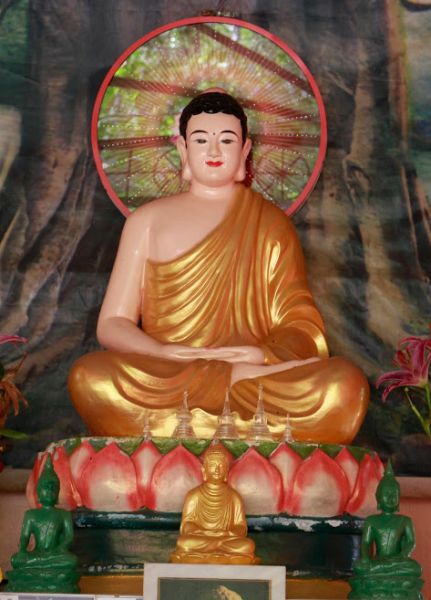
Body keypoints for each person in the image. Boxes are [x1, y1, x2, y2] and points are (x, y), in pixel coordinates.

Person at [69, 91, 369, 443]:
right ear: (183, 149)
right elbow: (112, 324)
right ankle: (239, 409)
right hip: (172, 370)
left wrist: (262, 355)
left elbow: (299, 324)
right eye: (201, 140)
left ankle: (196, 417)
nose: (214, 151)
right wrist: (163, 352)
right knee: (89, 376)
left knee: (345, 384)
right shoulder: (146, 221)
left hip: (251, 371)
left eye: (226, 140)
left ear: (244, 150)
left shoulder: (270, 224)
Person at [171, 444, 257, 564]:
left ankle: (213, 550)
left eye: (221, 466)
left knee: (247, 545)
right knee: (184, 543)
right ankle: (218, 550)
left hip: (226, 539)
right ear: (204, 470)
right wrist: (203, 532)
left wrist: (228, 533)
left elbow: (241, 526)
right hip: (202, 538)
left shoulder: (234, 497)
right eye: (212, 465)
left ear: (227, 471)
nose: (217, 470)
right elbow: (186, 525)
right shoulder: (194, 495)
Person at [348, 462, 423, 599]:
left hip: (398, 561)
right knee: (360, 567)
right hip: (378, 562)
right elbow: (366, 543)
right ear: (378, 498)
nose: (390, 498)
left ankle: (379, 581)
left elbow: (411, 542)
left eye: (394, 494)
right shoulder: (372, 521)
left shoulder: (405, 521)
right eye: (386, 494)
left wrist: (403, 555)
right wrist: (365, 558)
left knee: (415, 568)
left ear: (399, 498)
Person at [7, 455, 80, 592]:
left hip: (56, 555)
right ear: (39, 491)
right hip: (37, 554)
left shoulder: (64, 514)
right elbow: (24, 537)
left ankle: (37, 574)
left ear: (58, 492)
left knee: (72, 560)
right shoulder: (31, 515)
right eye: (46, 488)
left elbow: (69, 536)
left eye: (53, 488)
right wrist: (22, 551)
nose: (50, 491)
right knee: (16, 560)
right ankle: (48, 574)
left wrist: (61, 548)